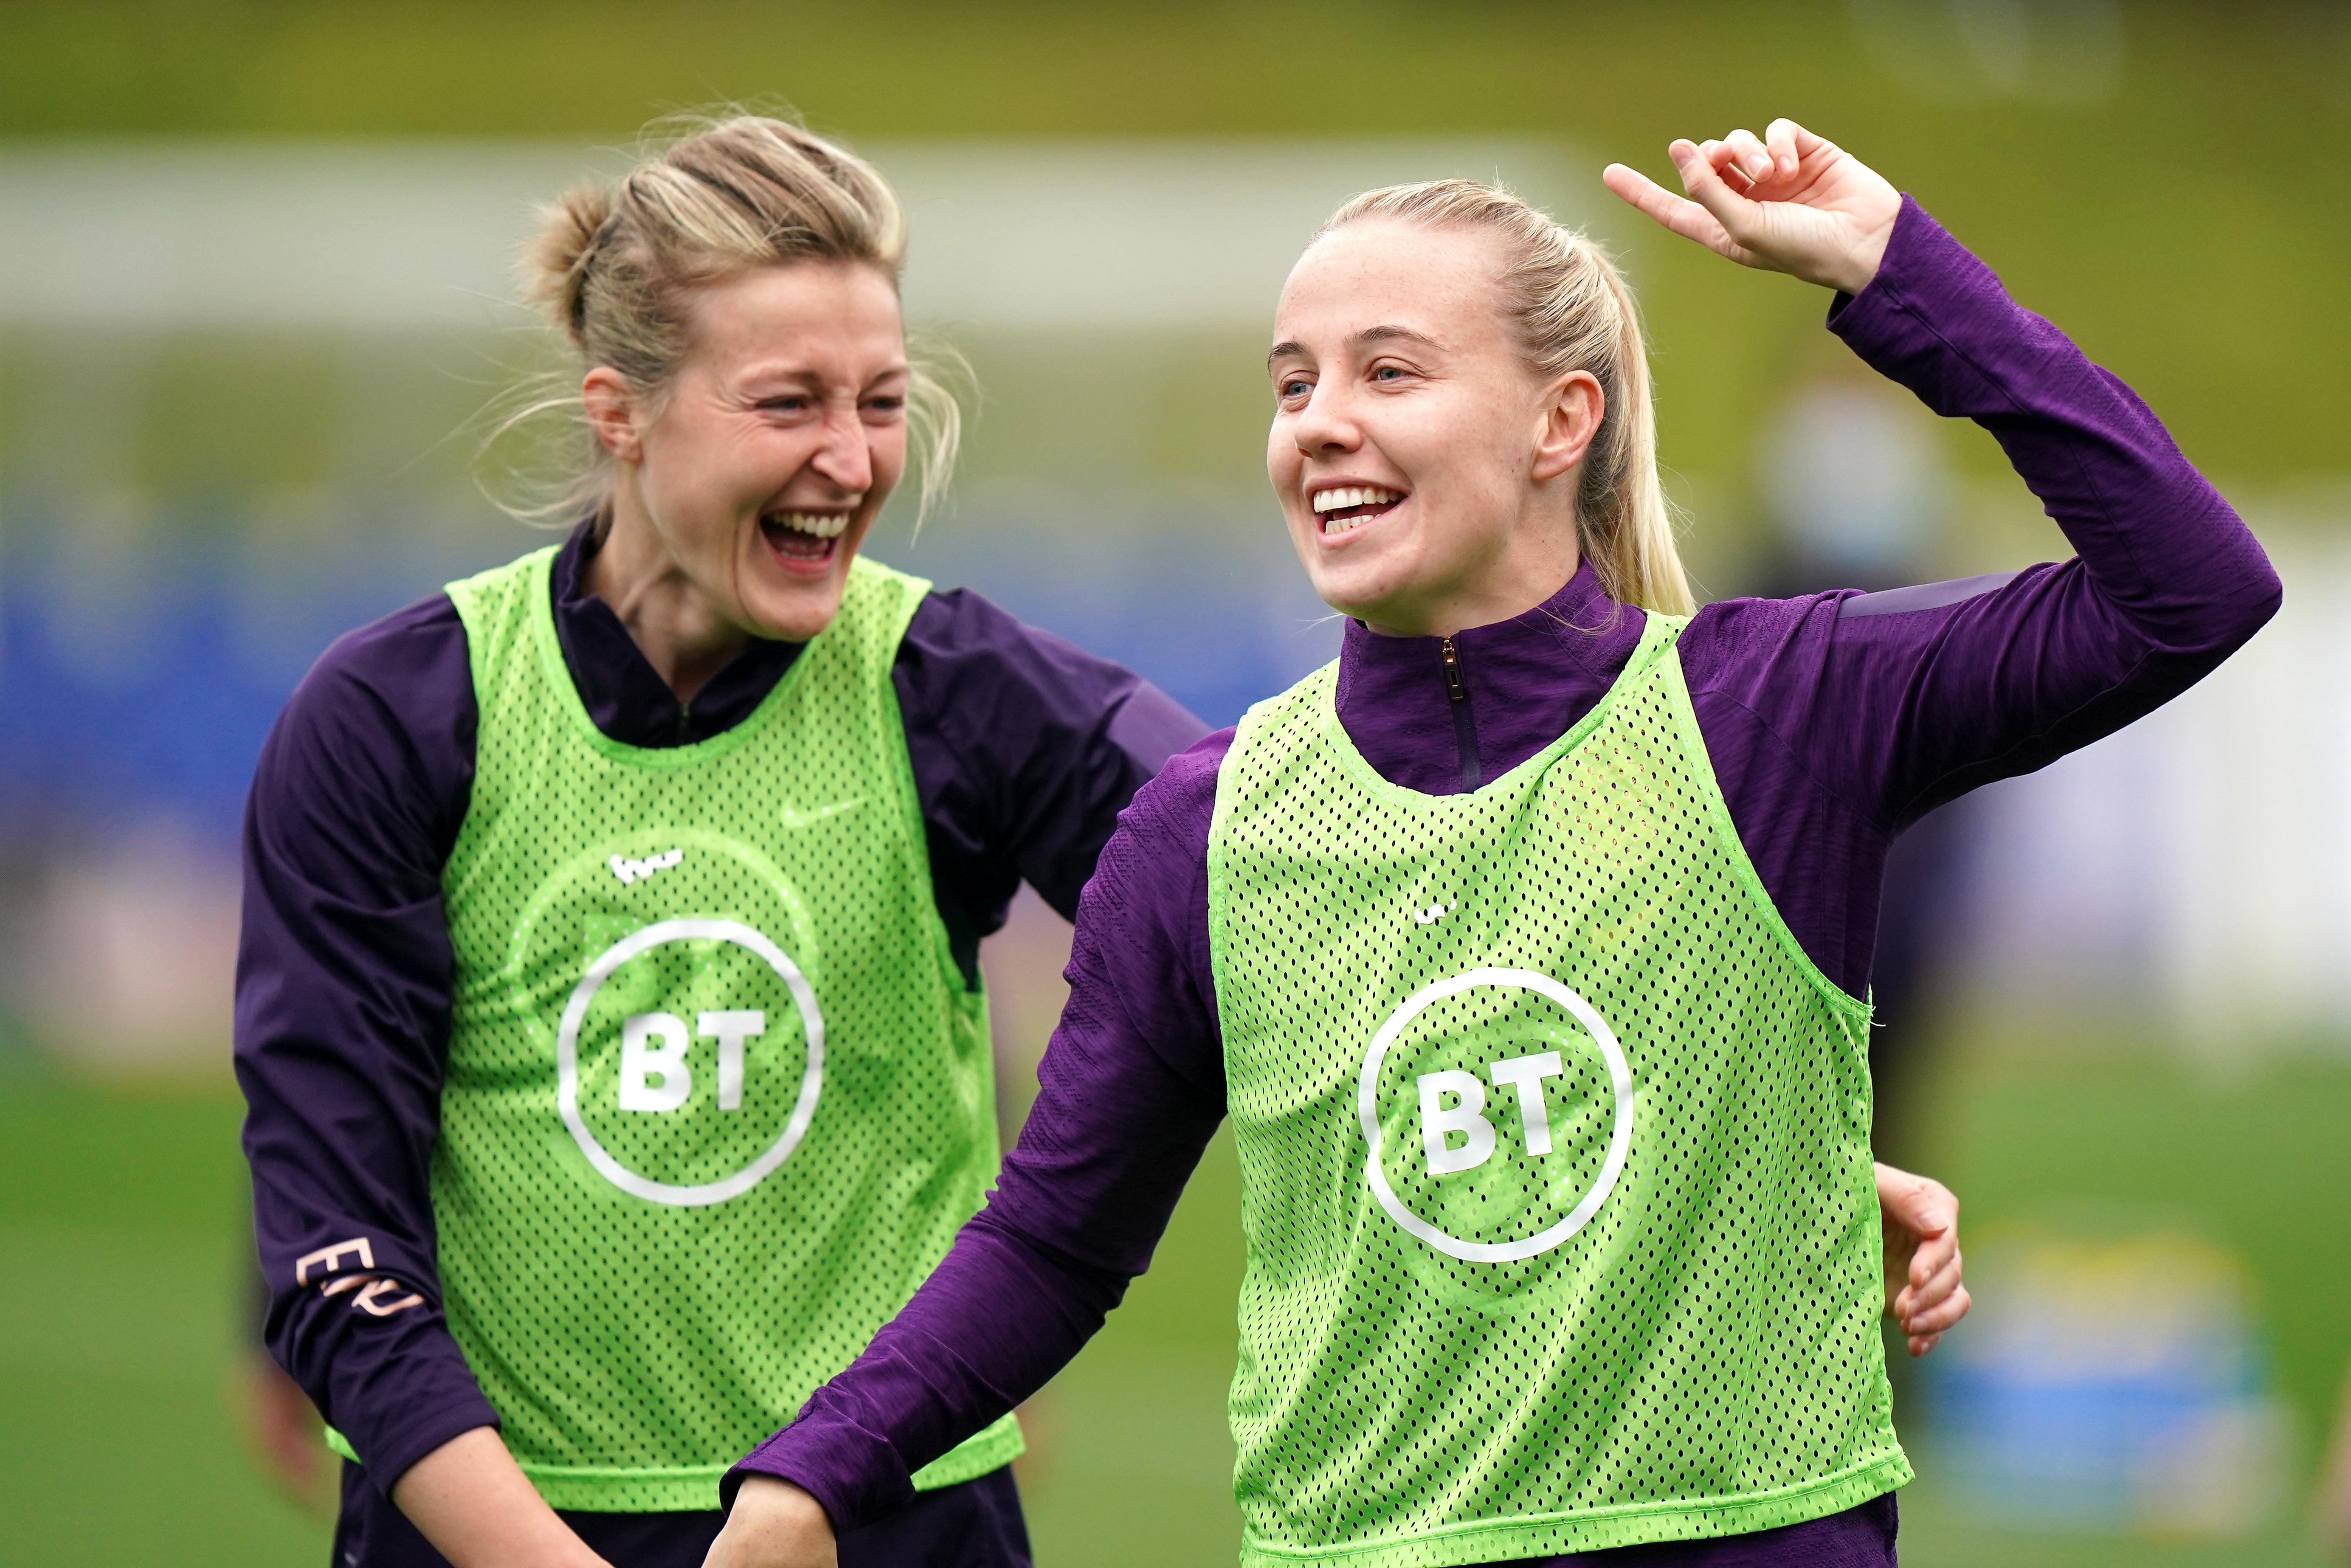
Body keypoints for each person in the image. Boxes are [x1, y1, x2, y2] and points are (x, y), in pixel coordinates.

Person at [707, 118, 2280, 1567]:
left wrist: (1897, 274)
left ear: (1558, 421)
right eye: (1293, 382)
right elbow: (1055, 1239)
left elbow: (2189, 590)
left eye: (1387, 373)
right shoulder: (1206, 826)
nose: (1320, 424)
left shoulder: (1777, 714)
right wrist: (813, 1469)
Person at [234, 115, 1210, 1568]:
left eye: (881, 401)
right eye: (787, 403)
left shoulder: (965, 691)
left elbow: (1289, 874)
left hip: (893, 1527)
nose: (850, 457)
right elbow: (332, 1252)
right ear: (618, 412)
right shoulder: (396, 717)